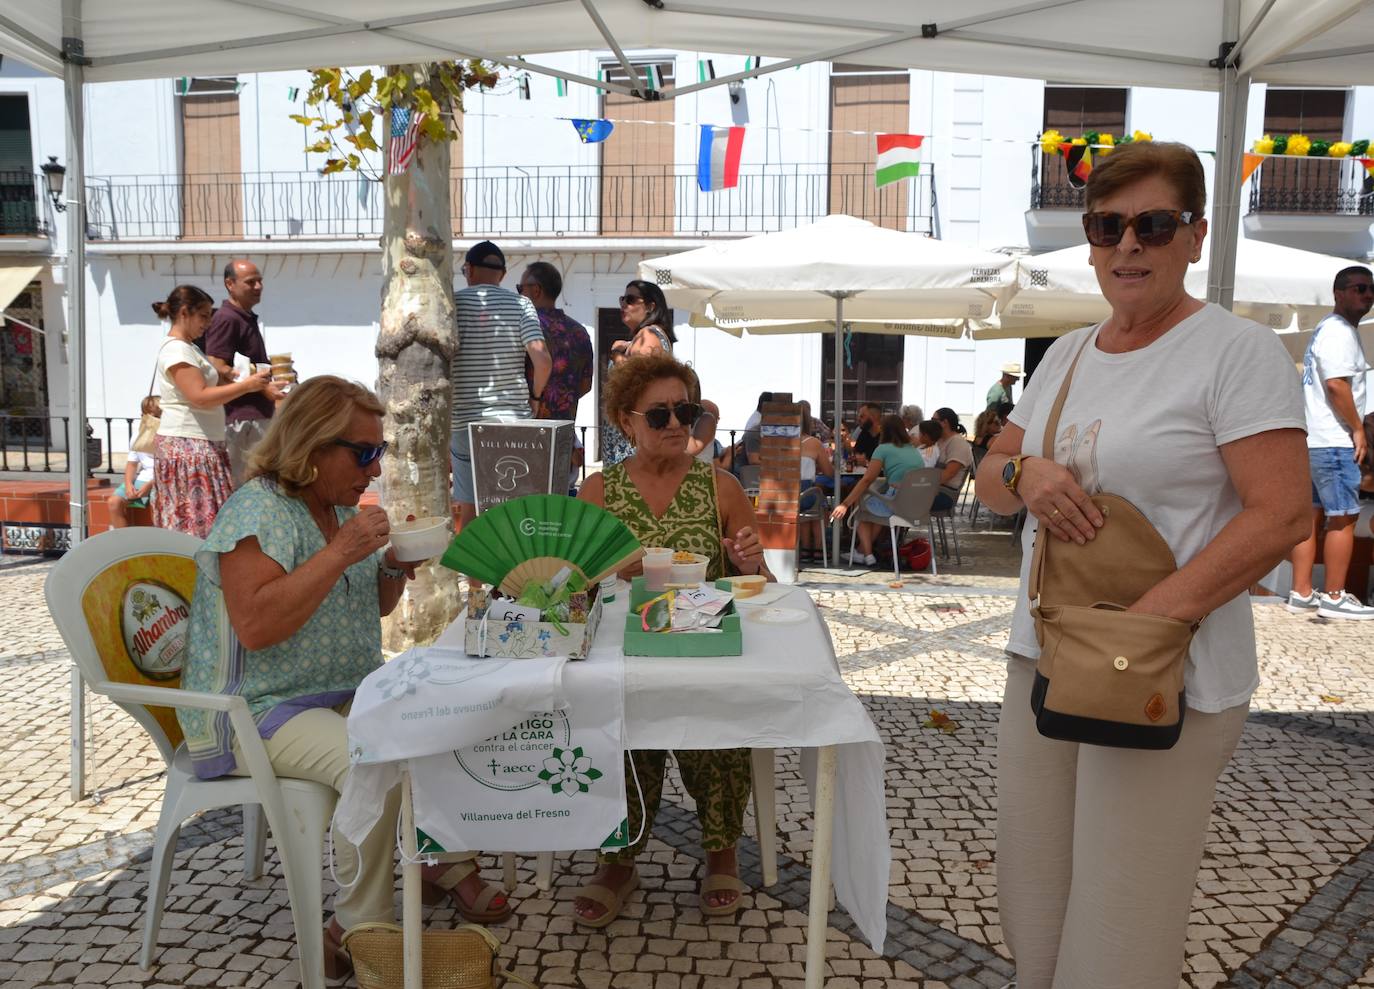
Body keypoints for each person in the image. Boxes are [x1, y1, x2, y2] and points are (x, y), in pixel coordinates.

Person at [972, 141, 1308, 989]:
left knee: (1118, 933)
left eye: (1153, 225)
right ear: (1089, 240)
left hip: (1162, 668)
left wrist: (1150, 618)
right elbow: (992, 481)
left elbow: (1283, 513)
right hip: (1044, 656)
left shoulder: (1236, 353)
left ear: (1194, 236)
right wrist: (1024, 470)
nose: (1128, 244)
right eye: (1107, 226)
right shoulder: (1068, 355)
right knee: (1035, 907)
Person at [176, 376, 512, 980]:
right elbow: (254, 625)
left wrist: (389, 568)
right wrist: (339, 554)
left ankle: (438, 864)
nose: (374, 467)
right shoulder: (258, 509)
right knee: (373, 758)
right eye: (363, 453)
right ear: (310, 445)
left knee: (437, 721)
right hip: (255, 708)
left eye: (377, 451)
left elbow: (372, 610)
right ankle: (358, 926)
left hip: (338, 694)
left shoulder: (330, 511)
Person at [574, 353, 771, 927]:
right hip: (625, 649)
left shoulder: (723, 487)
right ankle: (618, 858)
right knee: (616, 733)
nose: (676, 424)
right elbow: (574, 588)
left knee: (720, 729)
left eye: (685, 410)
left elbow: (758, 591)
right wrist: (605, 572)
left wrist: (748, 564)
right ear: (624, 420)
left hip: (699, 648)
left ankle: (721, 851)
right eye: (658, 414)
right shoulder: (599, 489)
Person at [152, 285, 277, 538]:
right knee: (195, 525)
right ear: (185, 313)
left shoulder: (189, 347)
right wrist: (246, 386)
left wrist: (254, 384)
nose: (208, 323)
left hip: (200, 443)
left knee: (207, 521)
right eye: (204, 316)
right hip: (188, 446)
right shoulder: (177, 350)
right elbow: (199, 396)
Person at [1288, 265, 1374, 619]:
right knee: (1344, 517)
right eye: (1359, 288)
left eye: (1371, 290)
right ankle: (1335, 595)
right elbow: (1336, 385)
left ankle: (1302, 590)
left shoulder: (1325, 329)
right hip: (1334, 440)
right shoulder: (1339, 332)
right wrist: (1357, 429)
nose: (1367, 295)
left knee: (1310, 516)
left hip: (1312, 439)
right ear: (1339, 293)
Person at [450, 241, 552, 528]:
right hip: (512, 421)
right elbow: (542, 360)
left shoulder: (453, 304)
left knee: (470, 514)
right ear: (504, 275)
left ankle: (474, 573)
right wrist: (535, 396)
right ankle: (512, 572)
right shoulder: (521, 304)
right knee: (515, 512)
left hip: (465, 421)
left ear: (468, 270)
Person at [203, 260, 274, 485]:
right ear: (230, 284)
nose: (258, 286)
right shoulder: (227, 318)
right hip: (241, 420)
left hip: (254, 416)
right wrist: (254, 382)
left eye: (260, 281)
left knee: (258, 484)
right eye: (250, 282)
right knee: (243, 487)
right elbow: (215, 365)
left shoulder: (243, 317)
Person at [829, 414, 926, 566]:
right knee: (875, 507)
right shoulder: (913, 450)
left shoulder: (883, 449)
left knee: (860, 508)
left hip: (897, 502)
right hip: (918, 504)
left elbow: (867, 479)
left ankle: (868, 555)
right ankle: (861, 551)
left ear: (885, 430)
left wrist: (845, 504)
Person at [601, 280, 675, 467]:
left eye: (631, 299)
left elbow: (636, 382)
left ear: (650, 306)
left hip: (632, 439)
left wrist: (617, 355)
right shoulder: (644, 337)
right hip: (629, 436)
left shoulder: (648, 335)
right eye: (623, 299)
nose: (624, 304)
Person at [518, 261, 593, 423]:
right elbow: (586, 385)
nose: (519, 294)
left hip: (527, 428)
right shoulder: (579, 331)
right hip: (564, 429)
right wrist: (561, 399)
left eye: (520, 288)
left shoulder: (524, 327)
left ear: (536, 290)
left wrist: (538, 399)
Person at [109, 396, 160, 528]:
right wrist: (128, 484)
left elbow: (170, 469)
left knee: (159, 505)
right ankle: (124, 543)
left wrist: (150, 485)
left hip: (161, 481)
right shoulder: (137, 436)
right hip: (144, 478)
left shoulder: (169, 437)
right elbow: (132, 464)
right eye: (146, 414)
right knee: (114, 503)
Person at [931, 407, 973, 511]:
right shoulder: (939, 441)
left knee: (906, 498)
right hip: (934, 490)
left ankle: (898, 526)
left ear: (945, 422)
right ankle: (898, 526)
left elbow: (949, 473)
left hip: (945, 494)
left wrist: (922, 485)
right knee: (897, 494)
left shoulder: (958, 443)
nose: (931, 423)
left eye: (933, 420)